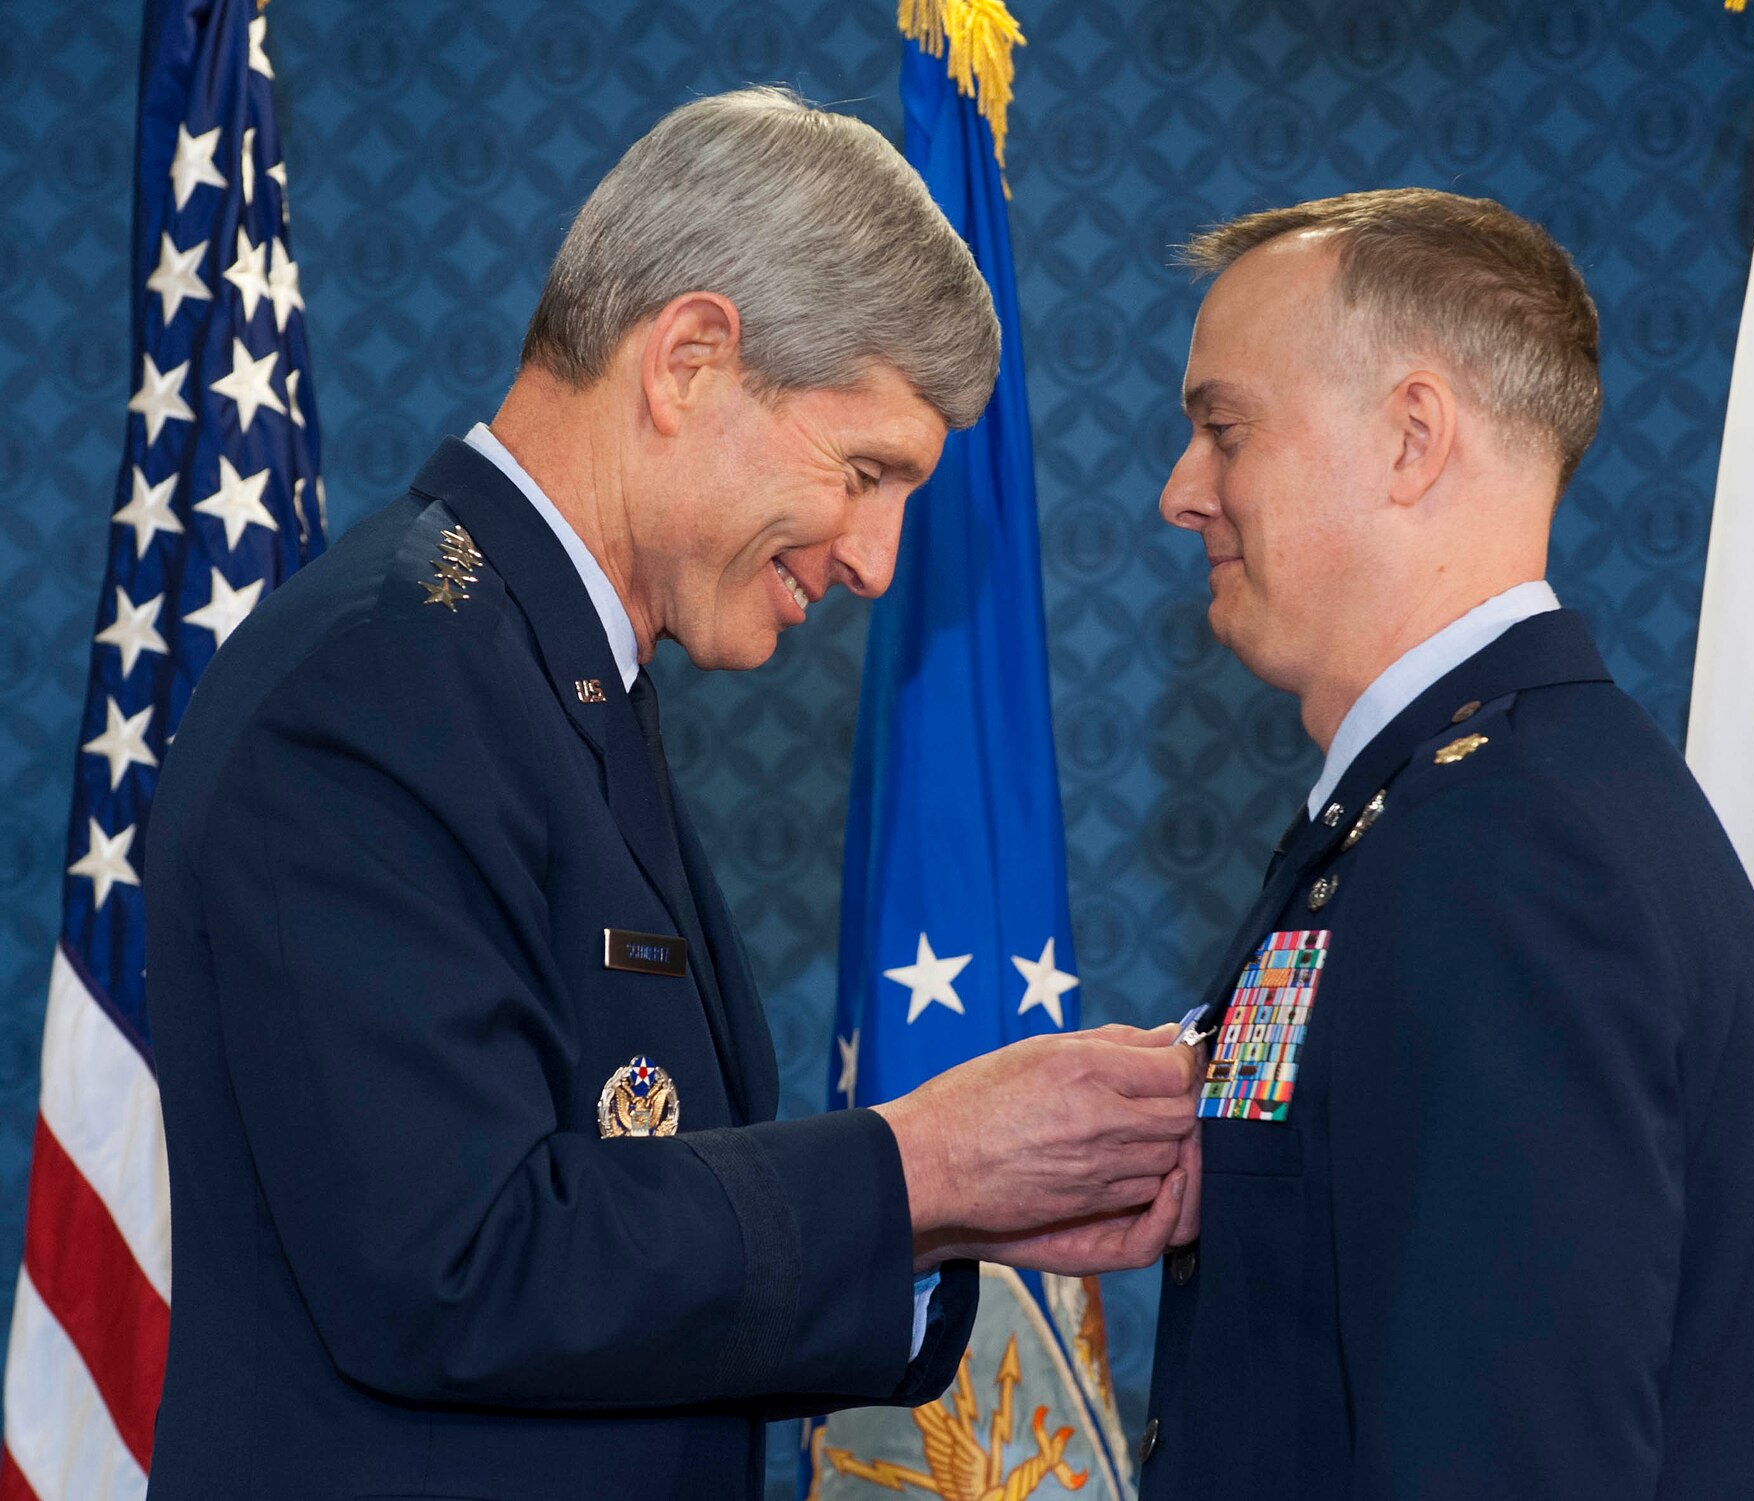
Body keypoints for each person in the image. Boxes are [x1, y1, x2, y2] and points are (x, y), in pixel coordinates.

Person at [144, 88, 1198, 1500]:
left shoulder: (536, 670)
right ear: (689, 360)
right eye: (866, 470)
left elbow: (632, 1254)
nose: (879, 559)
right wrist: (917, 1169)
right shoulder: (384, 682)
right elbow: (458, 1265)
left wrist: (950, 1216)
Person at [1140, 191, 1754, 1498]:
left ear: (1410, 439)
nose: (1181, 493)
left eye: (1225, 431)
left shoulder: (1510, 853)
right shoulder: (1448, 808)